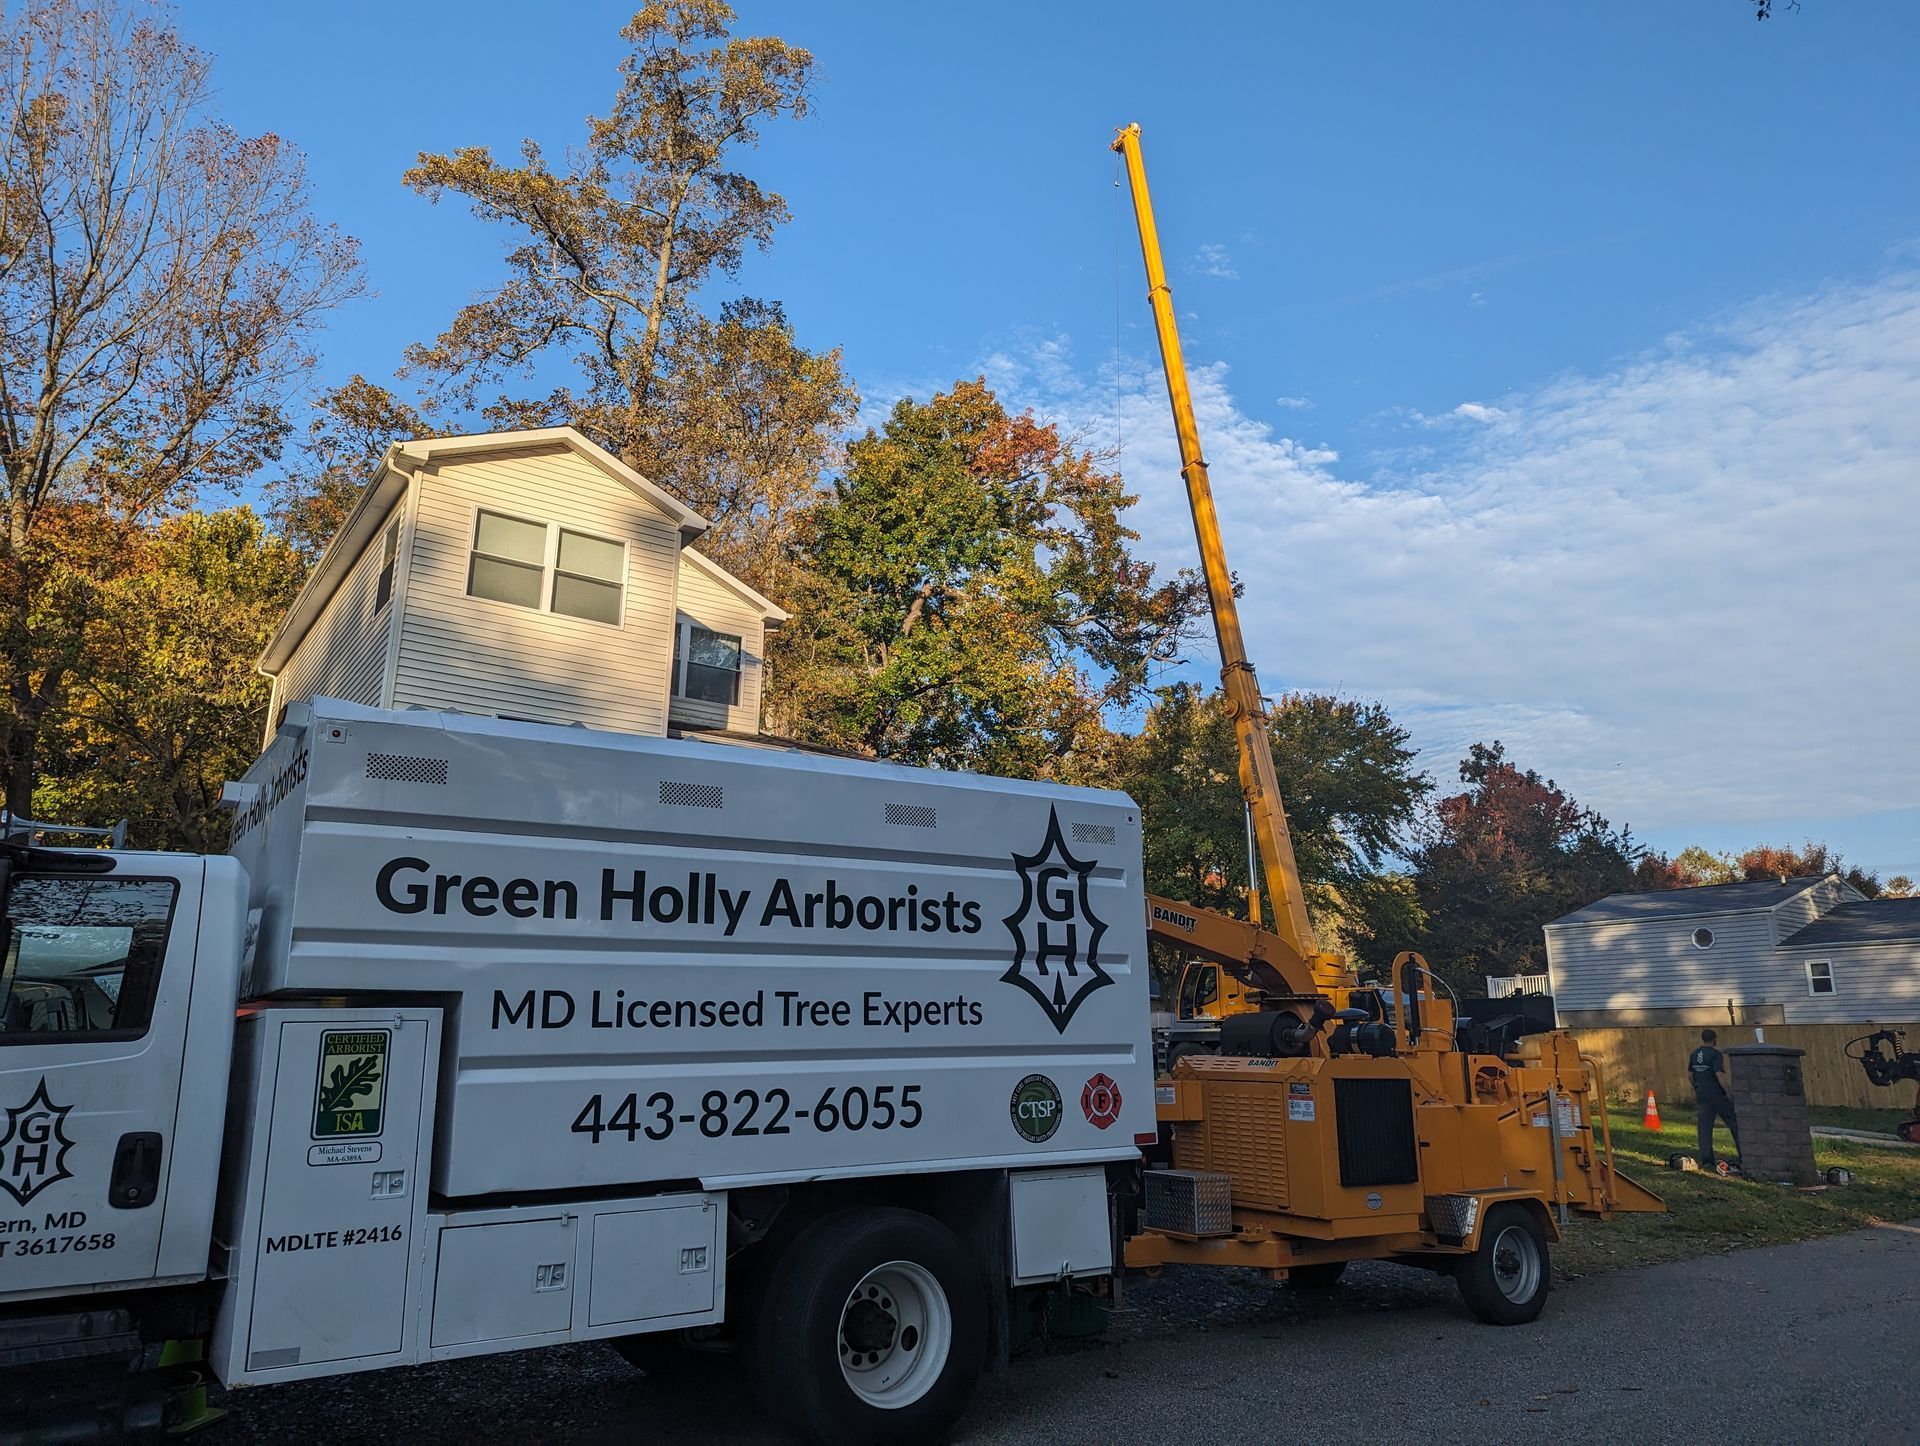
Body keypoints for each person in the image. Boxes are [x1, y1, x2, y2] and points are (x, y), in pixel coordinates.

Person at [1687, 1028, 1740, 1170]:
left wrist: (1697, 1088)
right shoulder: (1716, 1054)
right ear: (1714, 1039)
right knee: (1734, 1122)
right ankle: (1744, 1154)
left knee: (1704, 1127)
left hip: (1702, 1094)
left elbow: (1690, 1075)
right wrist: (1728, 1091)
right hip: (1716, 1094)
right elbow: (1719, 1074)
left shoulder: (1694, 1054)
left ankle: (1707, 1160)